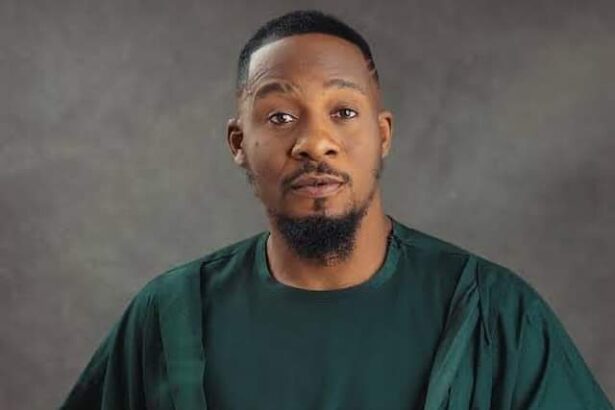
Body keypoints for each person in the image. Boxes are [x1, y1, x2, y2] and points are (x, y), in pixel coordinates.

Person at [61, 9, 613, 410]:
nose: (315, 142)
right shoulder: (168, 318)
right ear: (238, 143)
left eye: (344, 111)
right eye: (280, 117)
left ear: (382, 134)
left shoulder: (495, 315)